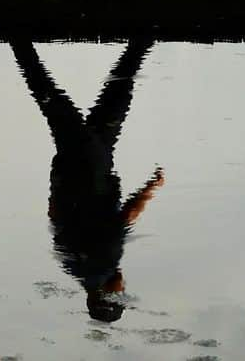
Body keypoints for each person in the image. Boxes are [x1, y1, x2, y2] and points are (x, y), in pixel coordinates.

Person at [10, 38, 163, 323]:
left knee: (68, 99)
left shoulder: (104, 263)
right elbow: (53, 213)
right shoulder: (73, 266)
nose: (124, 286)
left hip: (92, 167)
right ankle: (140, 42)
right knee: (76, 103)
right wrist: (58, 180)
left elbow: (126, 215)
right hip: (74, 167)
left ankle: (15, 38)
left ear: (109, 295)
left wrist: (152, 187)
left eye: (121, 293)